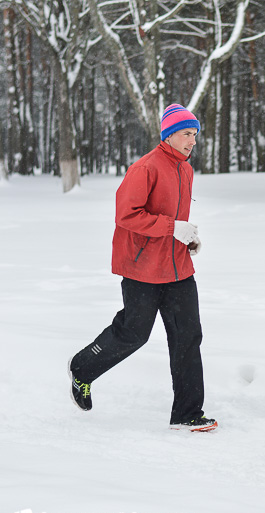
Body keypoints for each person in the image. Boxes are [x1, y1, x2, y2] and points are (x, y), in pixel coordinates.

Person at [67, 104, 217, 432]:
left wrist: (187, 238)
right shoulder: (146, 167)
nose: (193, 141)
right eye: (186, 134)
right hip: (142, 269)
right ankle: (82, 368)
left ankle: (187, 414)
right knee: (133, 334)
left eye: (195, 134)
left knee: (188, 337)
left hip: (178, 268)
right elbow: (126, 215)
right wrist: (171, 228)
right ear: (169, 135)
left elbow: (172, 218)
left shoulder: (186, 170)